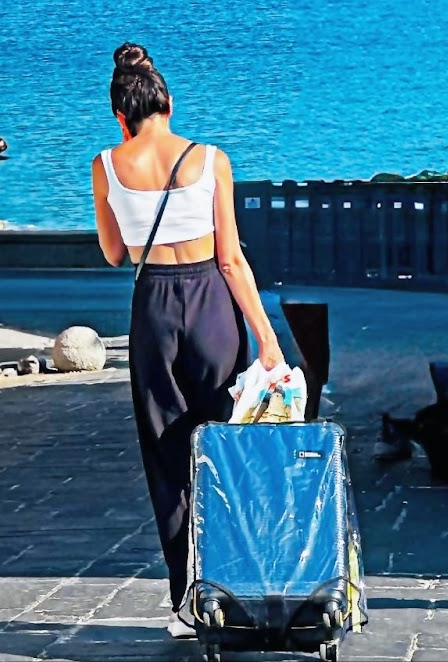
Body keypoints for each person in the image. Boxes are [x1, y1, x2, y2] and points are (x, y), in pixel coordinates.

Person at [91, 42, 285, 640]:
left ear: (120, 115)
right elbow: (232, 260)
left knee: (168, 457)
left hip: (154, 310)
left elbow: (114, 252)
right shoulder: (210, 159)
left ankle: (188, 600)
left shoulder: (105, 163)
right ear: (169, 102)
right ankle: (241, 586)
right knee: (226, 449)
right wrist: (269, 342)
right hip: (211, 308)